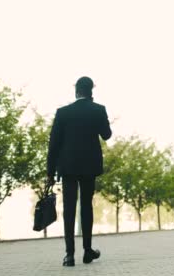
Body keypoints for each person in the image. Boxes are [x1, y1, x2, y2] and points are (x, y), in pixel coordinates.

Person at [46, 76, 112, 267]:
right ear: (92, 91)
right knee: (86, 207)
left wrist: (50, 172)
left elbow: (54, 144)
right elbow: (106, 135)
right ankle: (88, 251)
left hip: (68, 167)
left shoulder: (63, 113)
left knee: (69, 209)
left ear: (76, 91)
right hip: (89, 167)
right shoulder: (98, 110)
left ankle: (69, 255)